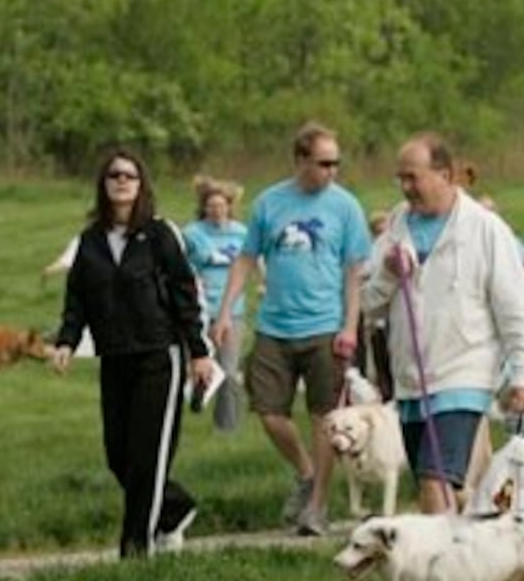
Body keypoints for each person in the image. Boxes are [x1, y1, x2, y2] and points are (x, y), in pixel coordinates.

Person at [363, 133, 524, 514]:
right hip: (411, 378)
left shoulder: (485, 229)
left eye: (413, 177)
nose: (405, 188)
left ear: (445, 174)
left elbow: (516, 307)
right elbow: (367, 300)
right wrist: (390, 274)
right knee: (448, 489)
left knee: (435, 481)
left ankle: (438, 570)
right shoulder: (396, 225)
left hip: (464, 372)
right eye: (401, 179)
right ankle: (486, 532)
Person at [210, 122, 371, 535]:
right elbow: (246, 259)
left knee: (324, 418)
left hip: (325, 326)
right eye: (323, 163)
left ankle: (316, 508)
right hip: (274, 326)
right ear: (300, 160)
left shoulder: (346, 207)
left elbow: (355, 271)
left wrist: (350, 326)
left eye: (337, 163)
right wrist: (225, 312)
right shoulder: (270, 203)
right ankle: (305, 472)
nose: (332, 171)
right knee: (267, 411)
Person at [53, 149, 213, 559]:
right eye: (113, 175)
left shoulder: (160, 235)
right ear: (103, 185)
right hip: (114, 357)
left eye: (130, 175)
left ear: (141, 185)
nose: (122, 181)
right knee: (118, 455)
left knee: (148, 453)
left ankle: (135, 548)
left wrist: (198, 352)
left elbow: (184, 293)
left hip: (159, 356)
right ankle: (175, 509)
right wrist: (67, 343)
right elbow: (78, 299)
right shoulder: (89, 242)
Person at [182, 174, 248, 431]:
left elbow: (254, 261)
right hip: (200, 308)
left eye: (221, 205)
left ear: (230, 206)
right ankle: (193, 399)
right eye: (211, 206)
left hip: (232, 310)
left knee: (229, 372)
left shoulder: (241, 233)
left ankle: (227, 426)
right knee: (198, 366)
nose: (217, 210)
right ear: (204, 208)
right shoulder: (192, 234)